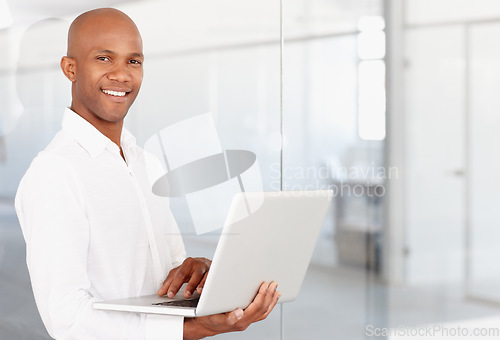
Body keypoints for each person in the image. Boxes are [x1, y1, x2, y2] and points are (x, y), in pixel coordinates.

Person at [15, 8, 280, 340]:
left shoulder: (145, 164)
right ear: (71, 68)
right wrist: (193, 329)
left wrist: (196, 278)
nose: (122, 75)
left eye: (133, 62)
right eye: (104, 58)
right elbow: (67, 319)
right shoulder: (55, 174)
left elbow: (165, 282)